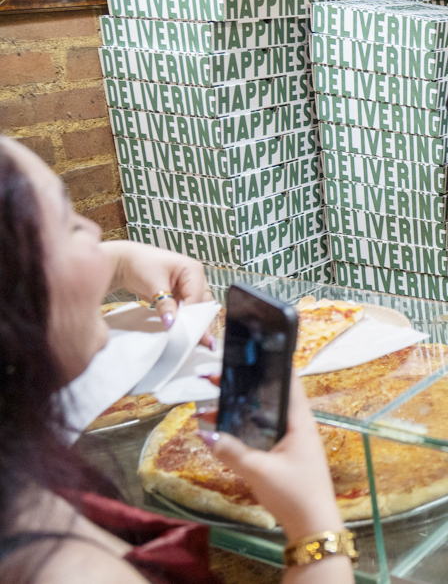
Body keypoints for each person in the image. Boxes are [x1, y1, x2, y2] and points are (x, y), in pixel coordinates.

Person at [0, 137, 353, 584]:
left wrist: (120, 261)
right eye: (69, 222)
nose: (95, 232)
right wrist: (317, 528)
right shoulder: (66, 573)